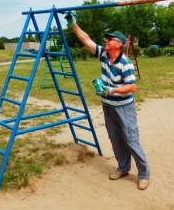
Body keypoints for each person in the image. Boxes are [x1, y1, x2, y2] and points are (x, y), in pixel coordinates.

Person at [64, 11, 150, 190]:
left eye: (109, 39)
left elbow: (132, 87)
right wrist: (74, 24)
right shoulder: (103, 55)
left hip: (124, 108)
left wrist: (112, 90)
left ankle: (143, 174)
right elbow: (86, 40)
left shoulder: (124, 63)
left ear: (118, 44)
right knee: (115, 139)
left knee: (131, 140)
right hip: (108, 106)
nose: (106, 41)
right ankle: (123, 168)